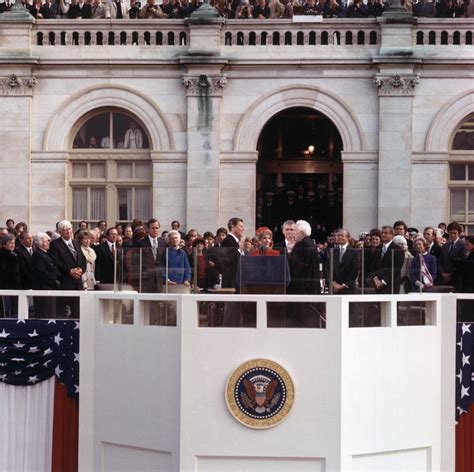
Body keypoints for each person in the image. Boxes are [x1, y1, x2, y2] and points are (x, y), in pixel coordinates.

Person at [48, 220, 86, 317]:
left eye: (69, 229)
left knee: (77, 312)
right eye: (65, 230)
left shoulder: (76, 242)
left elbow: (82, 259)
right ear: (60, 232)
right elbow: (55, 262)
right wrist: (69, 271)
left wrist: (81, 270)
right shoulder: (55, 244)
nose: (68, 231)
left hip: (78, 283)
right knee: (62, 312)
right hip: (65, 283)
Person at [287, 220, 321, 326]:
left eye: (295, 231)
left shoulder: (301, 245)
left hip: (301, 289)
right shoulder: (310, 243)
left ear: (301, 232)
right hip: (310, 288)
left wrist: (289, 254)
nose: (293, 233)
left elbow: (295, 268)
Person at [31, 233, 60, 317]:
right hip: (43, 288)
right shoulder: (37, 255)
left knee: (51, 313)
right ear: (40, 243)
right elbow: (41, 272)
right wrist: (54, 278)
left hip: (50, 288)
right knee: (44, 313)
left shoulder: (47, 254)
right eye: (46, 241)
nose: (48, 243)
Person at [370, 225, 404, 294]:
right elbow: (373, 266)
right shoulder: (378, 248)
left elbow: (396, 268)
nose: (383, 235)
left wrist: (383, 282)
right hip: (377, 285)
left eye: (386, 233)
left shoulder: (398, 249)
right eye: (382, 233)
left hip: (391, 285)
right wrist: (375, 279)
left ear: (392, 235)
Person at [135, 218, 166, 293]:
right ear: (148, 229)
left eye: (157, 228)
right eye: (153, 228)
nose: (155, 230)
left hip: (159, 278)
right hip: (146, 278)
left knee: (158, 302)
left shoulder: (163, 243)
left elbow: (164, 260)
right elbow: (137, 261)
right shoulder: (141, 243)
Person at [328, 228, 359, 294]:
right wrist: (333, 283)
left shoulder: (354, 252)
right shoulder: (332, 251)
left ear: (348, 237)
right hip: (334, 288)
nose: (339, 237)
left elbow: (355, 270)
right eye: (338, 235)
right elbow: (327, 269)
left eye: (342, 235)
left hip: (348, 288)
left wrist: (343, 285)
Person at [438, 221, 465, 290]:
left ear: (459, 233)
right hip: (444, 279)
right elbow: (440, 261)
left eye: (455, 233)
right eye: (451, 233)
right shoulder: (445, 246)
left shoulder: (463, 245)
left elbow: (462, 262)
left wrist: (450, 274)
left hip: (456, 279)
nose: (452, 235)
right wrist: (442, 273)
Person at [0, 234, 20, 316]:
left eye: (14, 243)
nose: (13, 245)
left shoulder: (14, 254)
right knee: (7, 309)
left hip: (15, 286)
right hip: (6, 286)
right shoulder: (2, 255)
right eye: (10, 243)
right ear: (4, 244)